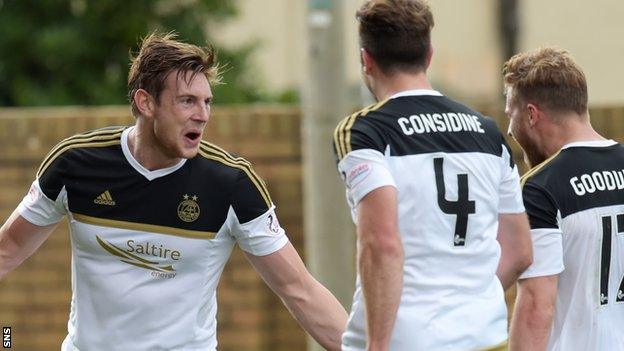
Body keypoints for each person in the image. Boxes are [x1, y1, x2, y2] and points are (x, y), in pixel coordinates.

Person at [0, 31, 347, 351]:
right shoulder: (75, 164)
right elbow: (9, 249)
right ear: (146, 102)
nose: (202, 115)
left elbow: (299, 289)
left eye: (207, 102)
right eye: (187, 101)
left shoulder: (231, 184)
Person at [332, 1, 532, 350]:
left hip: (408, 340)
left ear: (366, 60)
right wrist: (471, 301)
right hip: (487, 335)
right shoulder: (487, 133)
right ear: (429, 55)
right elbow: (518, 250)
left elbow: (382, 244)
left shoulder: (364, 131)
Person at [504, 47, 624, 350]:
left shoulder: (541, 188)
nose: (509, 128)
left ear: (531, 114)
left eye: (511, 114)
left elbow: (536, 305)